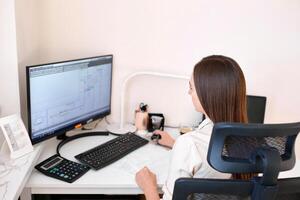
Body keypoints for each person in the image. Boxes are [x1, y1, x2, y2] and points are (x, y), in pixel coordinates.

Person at [135, 55, 248, 200]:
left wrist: (148, 186)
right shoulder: (249, 140)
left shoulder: (189, 144)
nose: (189, 93)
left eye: (191, 88)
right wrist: (175, 144)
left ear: (207, 95)